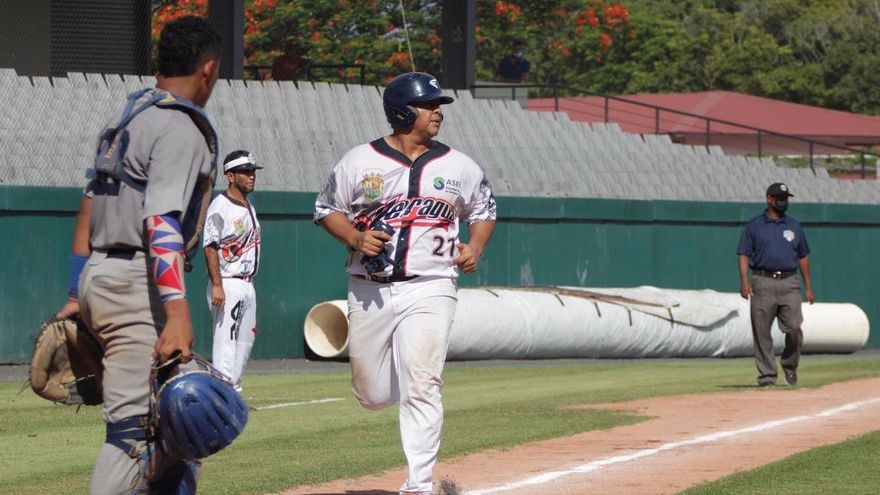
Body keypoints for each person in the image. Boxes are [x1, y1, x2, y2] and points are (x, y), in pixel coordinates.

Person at [314, 72, 497, 495]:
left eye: (438, 105)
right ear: (401, 112)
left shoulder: (459, 165)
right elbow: (325, 209)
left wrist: (475, 246)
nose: (437, 112)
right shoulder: (359, 161)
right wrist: (355, 237)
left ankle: (418, 485)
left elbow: (484, 210)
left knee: (423, 383)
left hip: (432, 285)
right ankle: (402, 376)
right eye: (428, 105)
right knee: (372, 394)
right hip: (370, 288)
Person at [61, 15, 222, 494]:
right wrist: (178, 313)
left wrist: (75, 291)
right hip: (137, 282)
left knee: (178, 428)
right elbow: (161, 223)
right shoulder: (178, 127)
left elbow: (89, 205)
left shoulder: (126, 117)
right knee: (134, 433)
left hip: (101, 271)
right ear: (209, 69)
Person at [737, 182, 815, 388]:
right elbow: (743, 253)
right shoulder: (754, 226)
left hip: (790, 282)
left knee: (794, 328)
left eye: (786, 198)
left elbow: (803, 256)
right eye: (779, 198)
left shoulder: (794, 226)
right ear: (769, 199)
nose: (783, 202)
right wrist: (744, 281)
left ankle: (789, 365)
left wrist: (808, 286)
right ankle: (767, 376)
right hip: (762, 281)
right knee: (761, 331)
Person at [204, 150, 263, 392]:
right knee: (226, 342)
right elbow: (210, 246)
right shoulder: (221, 206)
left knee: (246, 340)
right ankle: (222, 394)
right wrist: (217, 285)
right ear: (230, 176)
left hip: (247, 283)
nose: (251, 175)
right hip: (228, 282)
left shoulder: (248, 206)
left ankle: (233, 392)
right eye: (245, 171)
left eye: (252, 171)